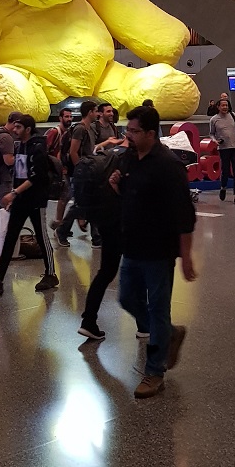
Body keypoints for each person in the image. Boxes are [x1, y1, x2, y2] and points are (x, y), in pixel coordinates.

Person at [111, 104, 196, 399]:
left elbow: (185, 214)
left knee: (158, 308)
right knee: (126, 298)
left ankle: (155, 371)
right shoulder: (129, 158)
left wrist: (186, 256)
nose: (129, 135)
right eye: (128, 130)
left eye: (134, 131)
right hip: (132, 246)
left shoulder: (168, 165)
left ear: (150, 133)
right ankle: (169, 333)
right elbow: (131, 196)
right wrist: (117, 186)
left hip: (159, 251)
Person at [0, 114, 59, 295]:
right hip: (21, 198)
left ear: (28, 129)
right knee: (10, 236)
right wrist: (14, 194)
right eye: (15, 126)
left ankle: (51, 274)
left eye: (19, 127)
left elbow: (36, 177)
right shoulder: (21, 145)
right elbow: (19, 172)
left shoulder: (37, 147)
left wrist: (14, 193)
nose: (15, 130)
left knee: (42, 236)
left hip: (35, 199)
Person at [78, 140, 143, 341]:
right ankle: (144, 325)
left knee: (105, 272)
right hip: (124, 223)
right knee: (137, 272)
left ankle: (88, 321)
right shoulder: (132, 159)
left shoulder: (109, 154)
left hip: (106, 221)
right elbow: (132, 195)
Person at [55, 100, 100, 249]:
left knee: (91, 203)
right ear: (90, 112)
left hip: (89, 169)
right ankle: (62, 230)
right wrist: (80, 170)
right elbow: (73, 151)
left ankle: (96, 237)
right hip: (82, 171)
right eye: (95, 111)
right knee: (80, 205)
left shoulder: (90, 128)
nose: (97, 114)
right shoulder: (80, 129)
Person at [0, 111, 21, 236]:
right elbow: (8, 161)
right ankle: (4, 241)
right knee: (7, 208)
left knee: (1, 210)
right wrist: (21, 157)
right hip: (4, 179)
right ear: (14, 123)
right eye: (18, 126)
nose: (18, 130)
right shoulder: (6, 138)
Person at [210, 98, 235, 205]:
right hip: (223, 148)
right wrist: (215, 141)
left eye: (226, 105)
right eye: (223, 105)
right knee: (225, 171)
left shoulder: (233, 116)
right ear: (218, 107)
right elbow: (211, 133)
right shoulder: (214, 119)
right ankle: (223, 187)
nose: (225, 107)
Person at [45, 107, 73, 228]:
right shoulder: (54, 132)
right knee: (65, 193)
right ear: (60, 118)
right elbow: (45, 150)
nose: (69, 119)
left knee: (66, 194)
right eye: (66, 116)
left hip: (61, 168)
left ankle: (58, 222)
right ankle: (58, 222)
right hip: (54, 169)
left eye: (70, 116)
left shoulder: (68, 133)